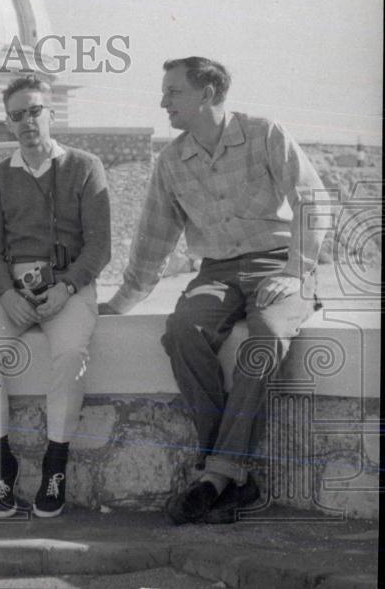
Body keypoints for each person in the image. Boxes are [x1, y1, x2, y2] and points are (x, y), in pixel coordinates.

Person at [100, 57, 327, 525]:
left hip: (279, 265)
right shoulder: (170, 162)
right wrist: (121, 303)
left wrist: (297, 268)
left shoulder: (265, 133)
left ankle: (215, 475)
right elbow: (153, 239)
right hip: (217, 274)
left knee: (263, 337)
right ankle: (231, 477)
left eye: (173, 92)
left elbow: (314, 199)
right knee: (183, 329)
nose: (163, 102)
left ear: (207, 94)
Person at [0, 75, 110, 518]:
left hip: (69, 288)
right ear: (8, 125)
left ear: (50, 113)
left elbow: (99, 246)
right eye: (17, 115)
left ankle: (55, 466)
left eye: (34, 111)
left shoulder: (86, 167)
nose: (27, 122)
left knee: (69, 354)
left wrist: (68, 287)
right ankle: (1, 465)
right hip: (13, 289)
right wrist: (4, 292)